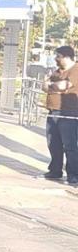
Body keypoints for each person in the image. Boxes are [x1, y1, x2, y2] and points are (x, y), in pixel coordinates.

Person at [42, 46, 78, 185]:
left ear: (67, 57)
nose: (56, 59)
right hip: (53, 111)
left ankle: (73, 174)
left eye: (58, 56)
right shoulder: (57, 72)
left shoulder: (75, 70)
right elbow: (44, 87)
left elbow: (64, 85)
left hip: (68, 112)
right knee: (53, 143)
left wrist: (52, 86)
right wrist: (51, 86)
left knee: (69, 145)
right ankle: (55, 170)